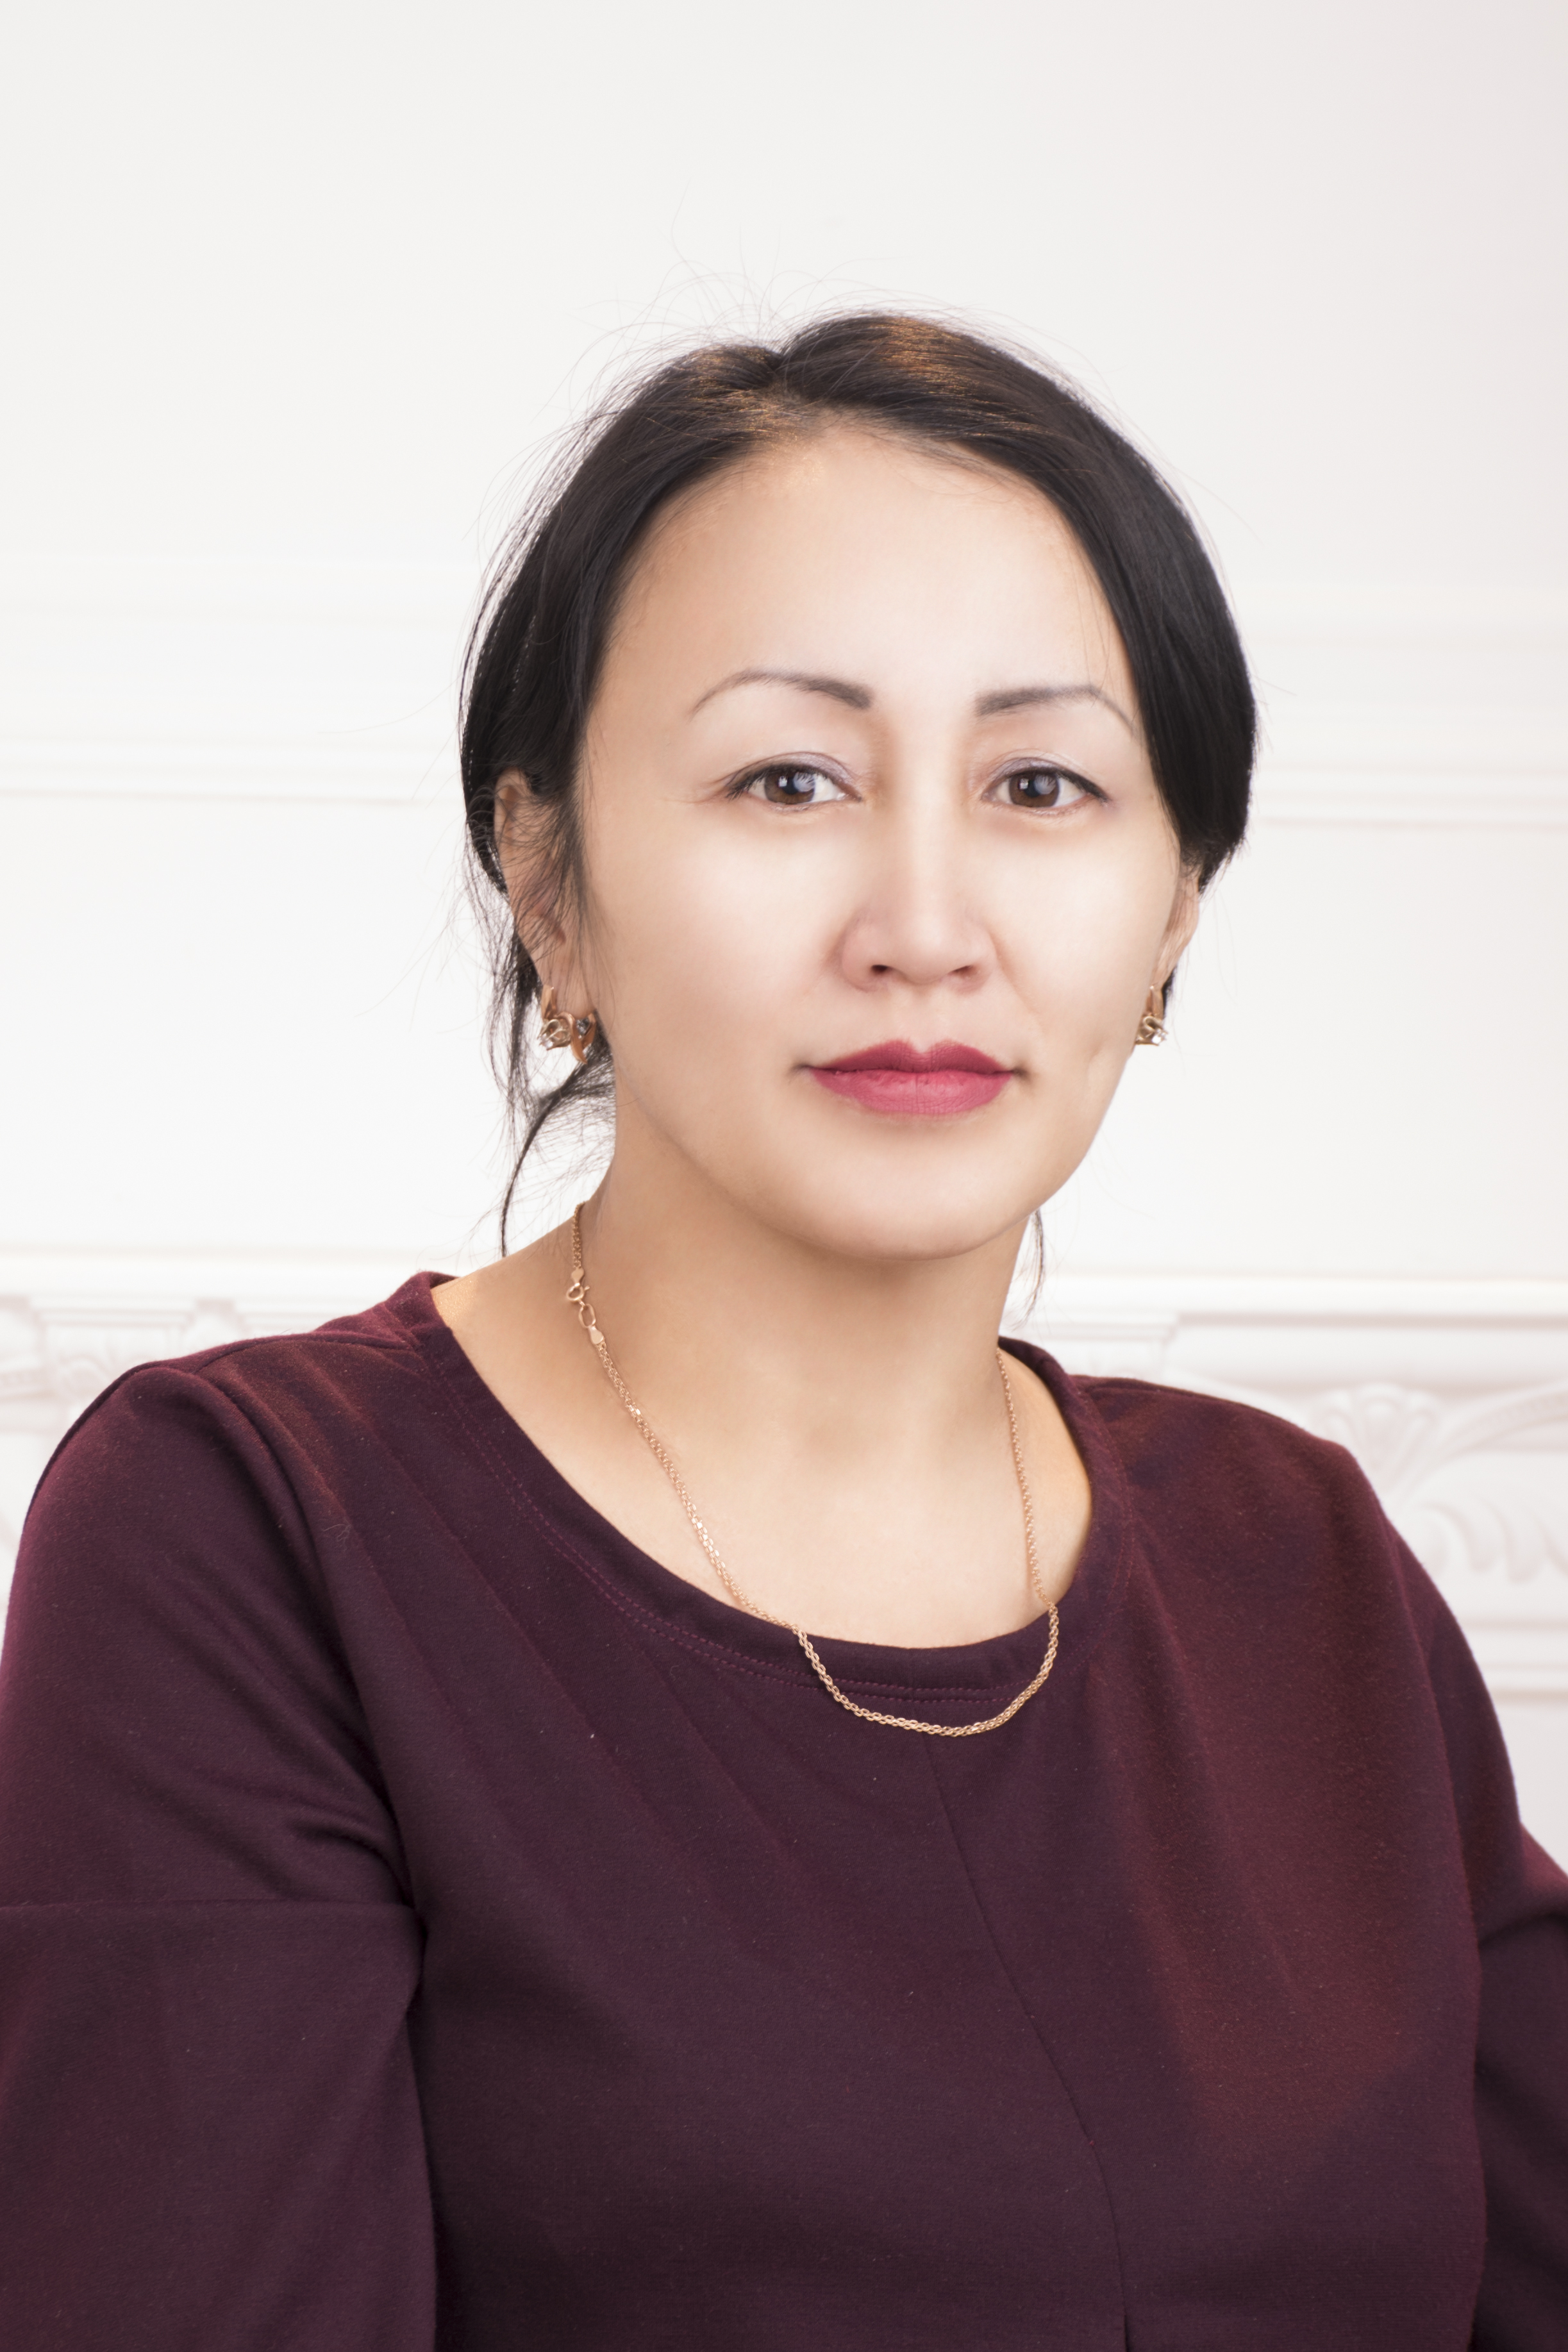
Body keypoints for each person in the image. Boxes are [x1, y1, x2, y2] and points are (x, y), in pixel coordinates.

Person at [0, 314, 1562, 2352]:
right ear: (549, 885)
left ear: (1176, 908)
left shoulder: (1304, 1561)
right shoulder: (251, 1530)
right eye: (788, 778)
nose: (924, 923)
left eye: (1042, 783)